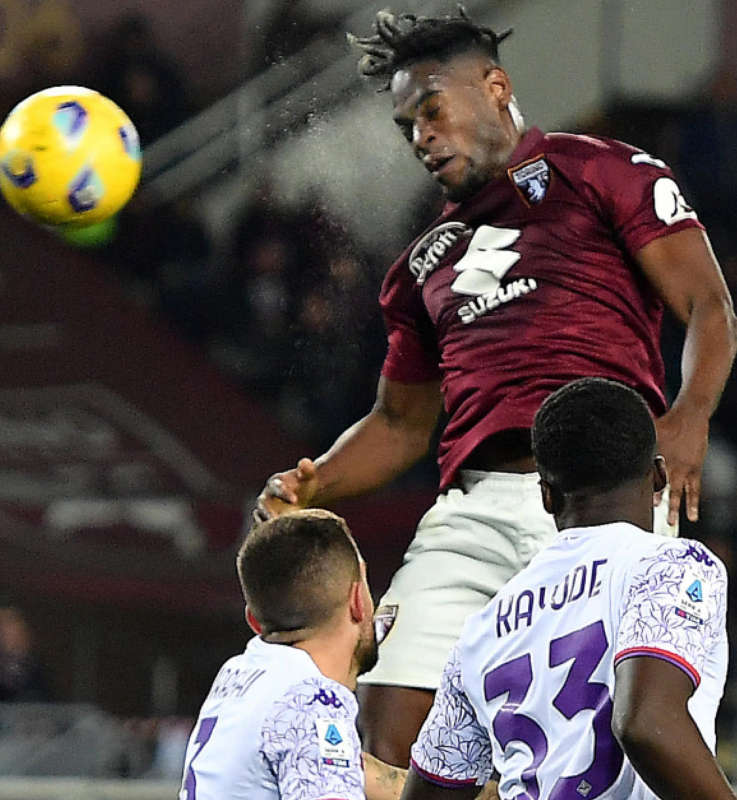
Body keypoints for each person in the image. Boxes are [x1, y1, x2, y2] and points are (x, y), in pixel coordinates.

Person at [254, 7, 737, 768]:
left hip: (602, 502)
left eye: (432, 109)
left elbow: (710, 305)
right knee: (385, 744)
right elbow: (401, 423)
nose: (419, 136)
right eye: (407, 124)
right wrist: (317, 481)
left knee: (621, 743)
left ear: (497, 86)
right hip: (469, 516)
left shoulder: (604, 170)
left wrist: (689, 417)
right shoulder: (420, 263)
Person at [400, 376, 731, 800]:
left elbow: (433, 789)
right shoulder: (670, 565)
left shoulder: (479, 631)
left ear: (548, 497)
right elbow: (647, 726)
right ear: (659, 476)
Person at [178, 509, 406, 800]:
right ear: (356, 602)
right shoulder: (312, 699)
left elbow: (367, 775)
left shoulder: (241, 675)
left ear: (255, 622)